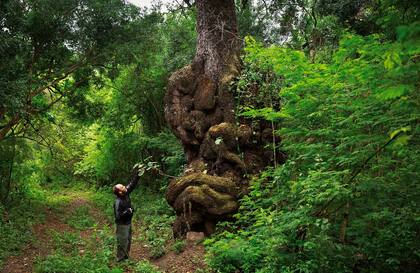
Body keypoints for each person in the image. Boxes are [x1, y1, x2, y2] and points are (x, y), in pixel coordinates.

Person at [113, 168, 140, 262]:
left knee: (128, 240)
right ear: (120, 192)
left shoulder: (125, 193)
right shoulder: (118, 202)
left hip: (128, 222)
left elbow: (132, 184)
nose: (125, 187)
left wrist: (138, 174)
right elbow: (118, 216)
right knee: (122, 242)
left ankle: (126, 258)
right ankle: (120, 260)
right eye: (122, 187)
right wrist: (127, 212)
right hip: (122, 225)